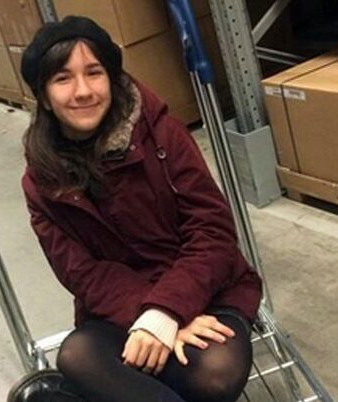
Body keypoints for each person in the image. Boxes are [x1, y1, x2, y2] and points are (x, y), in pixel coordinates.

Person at [19, 15, 263, 402]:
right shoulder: (41, 181)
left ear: (111, 79)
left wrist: (168, 311)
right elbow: (82, 272)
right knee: (77, 355)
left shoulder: (163, 135)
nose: (83, 91)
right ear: (44, 96)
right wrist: (149, 317)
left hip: (206, 288)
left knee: (212, 375)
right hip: (120, 306)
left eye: (94, 72)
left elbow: (212, 231)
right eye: (63, 78)